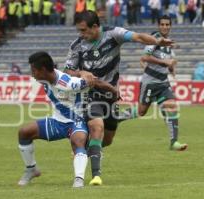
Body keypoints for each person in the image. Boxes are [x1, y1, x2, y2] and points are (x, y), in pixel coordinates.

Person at [64, 10, 174, 186]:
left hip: (111, 96)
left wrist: (157, 41)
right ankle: (94, 176)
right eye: (79, 30)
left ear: (95, 26)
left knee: (107, 139)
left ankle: (84, 150)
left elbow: (138, 37)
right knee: (96, 127)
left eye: (84, 30)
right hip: (90, 94)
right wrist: (81, 72)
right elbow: (67, 71)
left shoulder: (113, 34)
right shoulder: (77, 45)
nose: (81, 34)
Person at [18, 51, 119, 188]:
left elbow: (95, 82)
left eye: (33, 71)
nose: (32, 74)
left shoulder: (70, 84)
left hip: (76, 121)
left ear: (42, 70)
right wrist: (81, 72)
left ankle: (78, 180)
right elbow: (68, 71)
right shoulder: (45, 78)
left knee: (78, 141)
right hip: (57, 122)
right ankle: (31, 169)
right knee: (24, 132)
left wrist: (113, 91)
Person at [118, 15, 188, 151]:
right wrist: (165, 62)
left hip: (163, 82)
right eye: (162, 24)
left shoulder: (168, 44)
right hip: (150, 83)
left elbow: (168, 62)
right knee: (141, 111)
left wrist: (171, 67)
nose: (165, 27)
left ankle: (174, 142)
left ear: (170, 26)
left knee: (172, 106)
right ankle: (115, 117)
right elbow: (145, 57)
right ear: (158, 25)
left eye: (167, 25)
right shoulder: (154, 39)